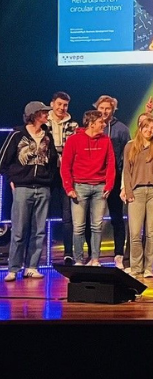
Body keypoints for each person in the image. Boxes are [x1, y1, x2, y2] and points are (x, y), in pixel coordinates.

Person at [1, 102, 58, 281]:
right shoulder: (17, 134)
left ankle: (32, 267)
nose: (47, 115)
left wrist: (48, 181)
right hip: (22, 188)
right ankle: (14, 268)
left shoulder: (47, 136)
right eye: (43, 112)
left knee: (39, 230)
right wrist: (12, 179)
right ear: (34, 114)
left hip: (42, 188)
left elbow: (53, 161)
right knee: (19, 230)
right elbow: (3, 160)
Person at [60, 110, 115, 266]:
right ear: (91, 124)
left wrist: (109, 185)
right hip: (79, 187)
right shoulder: (74, 140)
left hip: (100, 187)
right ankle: (78, 260)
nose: (104, 124)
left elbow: (111, 164)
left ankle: (95, 259)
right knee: (78, 227)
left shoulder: (106, 141)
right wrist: (69, 188)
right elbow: (65, 166)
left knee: (97, 226)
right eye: (100, 122)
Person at [122, 114, 153, 279]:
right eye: (146, 127)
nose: (149, 130)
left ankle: (149, 267)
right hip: (136, 193)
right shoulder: (130, 146)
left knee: (151, 232)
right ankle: (136, 267)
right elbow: (126, 172)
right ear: (140, 128)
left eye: (152, 128)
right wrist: (128, 192)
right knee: (135, 232)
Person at [94, 95, 130, 269]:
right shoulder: (91, 127)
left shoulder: (122, 129)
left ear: (113, 110)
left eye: (108, 108)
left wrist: (123, 181)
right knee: (94, 221)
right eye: (101, 108)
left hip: (114, 180)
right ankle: (94, 256)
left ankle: (118, 255)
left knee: (117, 217)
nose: (104, 111)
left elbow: (126, 155)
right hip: (94, 180)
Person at [47, 92, 78, 265]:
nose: (61, 108)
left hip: (67, 175)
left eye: (65, 105)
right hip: (47, 174)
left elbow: (72, 150)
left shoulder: (73, 125)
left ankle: (68, 253)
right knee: (40, 214)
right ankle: (32, 258)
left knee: (68, 216)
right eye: (59, 104)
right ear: (52, 104)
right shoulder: (44, 122)